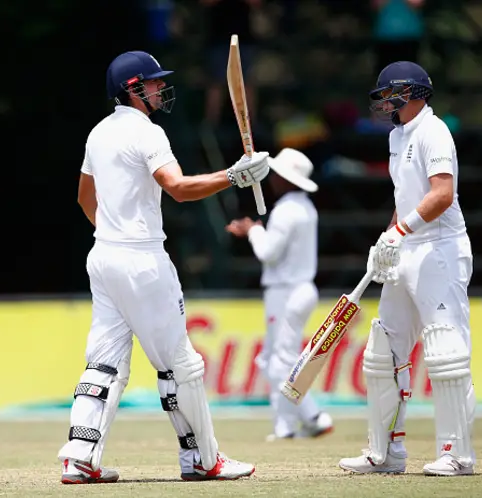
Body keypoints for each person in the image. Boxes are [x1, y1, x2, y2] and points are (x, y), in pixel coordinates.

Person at [58, 50, 270, 484]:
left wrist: (114, 233)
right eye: (153, 83)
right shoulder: (148, 132)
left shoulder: (97, 133)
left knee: (103, 363)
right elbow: (176, 188)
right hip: (142, 261)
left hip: (103, 258)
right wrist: (234, 176)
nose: (160, 89)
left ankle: (79, 457)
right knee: (180, 365)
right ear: (132, 89)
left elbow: (84, 198)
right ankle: (203, 459)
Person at [338, 61, 476, 476]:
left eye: (388, 94)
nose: (383, 103)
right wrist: (387, 240)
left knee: (446, 353)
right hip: (408, 246)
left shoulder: (435, 132)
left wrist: (401, 230)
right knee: (385, 351)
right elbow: (405, 199)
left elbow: (443, 195)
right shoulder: (399, 136)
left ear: (410, 93)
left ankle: (458, 454)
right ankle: (385, 452)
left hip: (440, 249)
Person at [225, 148, 333, 441]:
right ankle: (310, 416)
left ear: (286, 180)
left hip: (285, 291)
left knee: (279, 361)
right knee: (272, 359)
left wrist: (252, 231)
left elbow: (268, 253)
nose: (273, 179)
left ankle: (288, 425)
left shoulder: (286, 210)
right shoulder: (305, 208)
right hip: (298, 289)